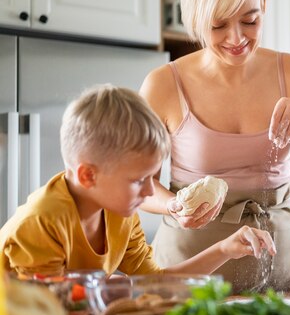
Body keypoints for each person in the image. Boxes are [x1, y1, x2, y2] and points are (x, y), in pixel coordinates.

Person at [139, 0, 290, 293]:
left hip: (277, 256)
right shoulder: (163, 85)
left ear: (264, 6)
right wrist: (173, 205)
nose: (237, 38)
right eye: (218, 25)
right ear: (195, 17)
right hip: (191, 263)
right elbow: (138, 185)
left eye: (250, 21)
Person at [0, 85, 275, 278]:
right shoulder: (42, 223)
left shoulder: (120, 215)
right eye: (138, 180)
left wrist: (224, 249)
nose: (148, 191)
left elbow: (155, 284)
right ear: (88, 175)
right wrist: (115, 291)